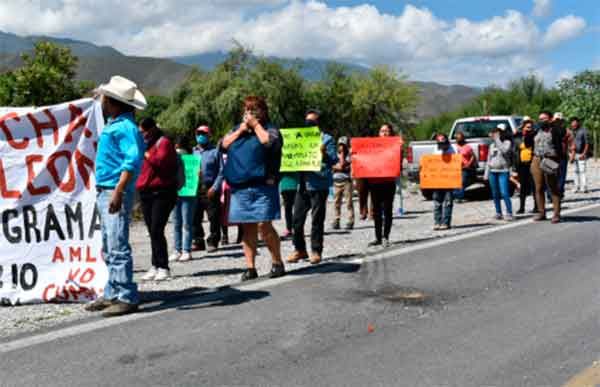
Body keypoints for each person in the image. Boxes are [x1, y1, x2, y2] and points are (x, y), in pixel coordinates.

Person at [85, 75, 146, 317]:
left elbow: (131, 162)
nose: (101, 102)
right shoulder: (117, 123)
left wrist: (118, 191)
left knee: (117, 244)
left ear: (113, 102)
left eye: (104, 98)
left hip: (113, 189)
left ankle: (126, 296)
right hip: (107, 189)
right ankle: (113, 291)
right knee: (109, 244)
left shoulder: (125, 128)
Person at [221, 96, 285, 281]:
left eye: (254, 109)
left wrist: (256, 125)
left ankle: (277, 262)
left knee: (264, 225)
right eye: (247, 110)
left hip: (262, 186)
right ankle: (250, 267)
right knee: (247, 227)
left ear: (263, 111)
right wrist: (241, 129)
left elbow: (269, 142)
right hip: (239, 187)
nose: (249, 113)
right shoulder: (237, 130)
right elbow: (223, 145)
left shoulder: (271, 129)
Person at [287, 109, 338, 265]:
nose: (309, 124)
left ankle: (316, 251)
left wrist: (324, 154)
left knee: (317, 219)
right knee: (296, 220)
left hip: (318, 184)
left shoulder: (327, 139)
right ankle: (300, 250)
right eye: (307, 121)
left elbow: (333, 160)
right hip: (302, 184)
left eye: (312, 122)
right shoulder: (300, 138)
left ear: (318, 123)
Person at [136, 118, 179, 281]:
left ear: (152, 129)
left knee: (156, 229)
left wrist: (146, 153)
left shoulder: (164, 142)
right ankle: (154, 265)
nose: (142, 135)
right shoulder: (145, 144)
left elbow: (160, 162)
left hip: (162, 192)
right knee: (151, 231)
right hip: (146, 191)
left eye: (144, 131)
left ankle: (163, 266)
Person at [192, 125, 223, 253]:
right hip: (194, 189)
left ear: (209, 135)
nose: (200, 136)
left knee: (214, 217)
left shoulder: (215, 152)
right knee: (195, 217)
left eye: (203, 134)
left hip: (210, 188)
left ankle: (213, 241)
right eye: (198, 133)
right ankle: (198, 241)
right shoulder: (192, 152)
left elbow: (222, 171)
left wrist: (215, 187)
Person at [367, 124, 397, 247]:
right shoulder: (373, 146)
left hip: (388, 182)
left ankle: (386, 236)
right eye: (381, 131)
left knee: (387, 210)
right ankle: (378, 237)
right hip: (375, 183)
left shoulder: (395, 146)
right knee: (376, 211)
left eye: (386, 131)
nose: (384, 133)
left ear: (391, 133)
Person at [169, 137, 197, 263]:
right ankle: (177, 249)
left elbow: (196, 176)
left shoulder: (193, 159)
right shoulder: (172, 159)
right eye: (176, 147)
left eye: (180, 147)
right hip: (175, 193)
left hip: (188, 194)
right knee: (176, 223)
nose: (178, 150)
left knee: (187, 223)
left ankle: (186, 250)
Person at [531, 118, 564, 223]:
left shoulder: (555, 131)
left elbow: (560, 144)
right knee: (538, 187)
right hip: (537, 158)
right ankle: (541, 212)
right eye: (540, 119)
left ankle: (556, 214)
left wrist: (557, 162)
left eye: (544, 118)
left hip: (550, 159)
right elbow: (528, 141)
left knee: (552, 186)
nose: (541, 120)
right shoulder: (537, 130)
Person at [484, 123, 514, 221]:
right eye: (493, 133)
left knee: (504, 192)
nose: (494, 135)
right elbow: (489, 159)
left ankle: (509, 212)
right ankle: (498, 212)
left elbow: (504, 151)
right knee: (495, 193)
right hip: (493, 171)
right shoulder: (491, 145)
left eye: (496, 133)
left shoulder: (507, 142)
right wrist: (486, 173)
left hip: (503, 171)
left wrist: (497, 140)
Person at [514, 118, 538, 214]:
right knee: (523, 186)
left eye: (530, 127)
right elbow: (515, 150)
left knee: (534, 186)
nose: (529, 129)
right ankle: (522, 207)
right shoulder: (518, 137)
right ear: (523, 127)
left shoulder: (534, 136)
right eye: (527, 127)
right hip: (522, 164)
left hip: (532, 163)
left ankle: (537, 206)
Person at [431, 133, 455, 230]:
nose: (441, 145)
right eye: (439, 143)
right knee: (437, 201)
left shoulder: (452, 150)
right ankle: (437, 222)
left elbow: (456, 164)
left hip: (449, 179)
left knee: (448, 201)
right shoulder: (435, 150)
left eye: (443, 143)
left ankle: (446, 222)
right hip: (438, 179)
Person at [331, 136, 355, 230]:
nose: (341, 147)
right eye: (340, 145)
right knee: (337, 202)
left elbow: (342, 166)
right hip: (336, 181)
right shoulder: (334, 155)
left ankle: (351, 220)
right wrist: (337, 167)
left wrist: (341, 157)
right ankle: (337, 219)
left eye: (343, 145)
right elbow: (333, 166)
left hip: (346, 182)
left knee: (348, 202)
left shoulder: (349, 156)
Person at [453, 131, 476, 201]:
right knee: (455, 182)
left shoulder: (467, 147)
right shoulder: (453, 147)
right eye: (457, 138)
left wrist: (468, 164)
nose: (459, 140)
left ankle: (459, 196)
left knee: (462, 182)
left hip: (465, 168)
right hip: (455, 168)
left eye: (460, 138)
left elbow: (473, 156)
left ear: (463, 138)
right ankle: (456, 195)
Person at [553, 112, 572, 198]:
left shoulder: (567, 131)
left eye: (559, 120)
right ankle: (553, 194)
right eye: (557, 120)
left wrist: (572, 153)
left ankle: (559, 192)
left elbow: (571, 142)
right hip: (553, 155)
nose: (558, 122)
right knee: (553, 175)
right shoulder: (550, 129)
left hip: (563, 155)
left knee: (562, 175)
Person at [570, 117, 590, 193]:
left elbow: (587, 143)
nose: (573, 125)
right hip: (573, 153)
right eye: (572, 124)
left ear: (578, 123)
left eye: (575, 123)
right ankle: (576, 186)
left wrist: (584, 153)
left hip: (581, 153)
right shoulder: (571, 131)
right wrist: (571, 154)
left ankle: (584, 187)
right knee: (575, 171)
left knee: (582, 171)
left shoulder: (584, 131)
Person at [279, 172, 298, 239]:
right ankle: (289, 229)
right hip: (285, 186)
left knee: (296, 210)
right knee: (288, 210)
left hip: (296, 185)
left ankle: (296, 229)